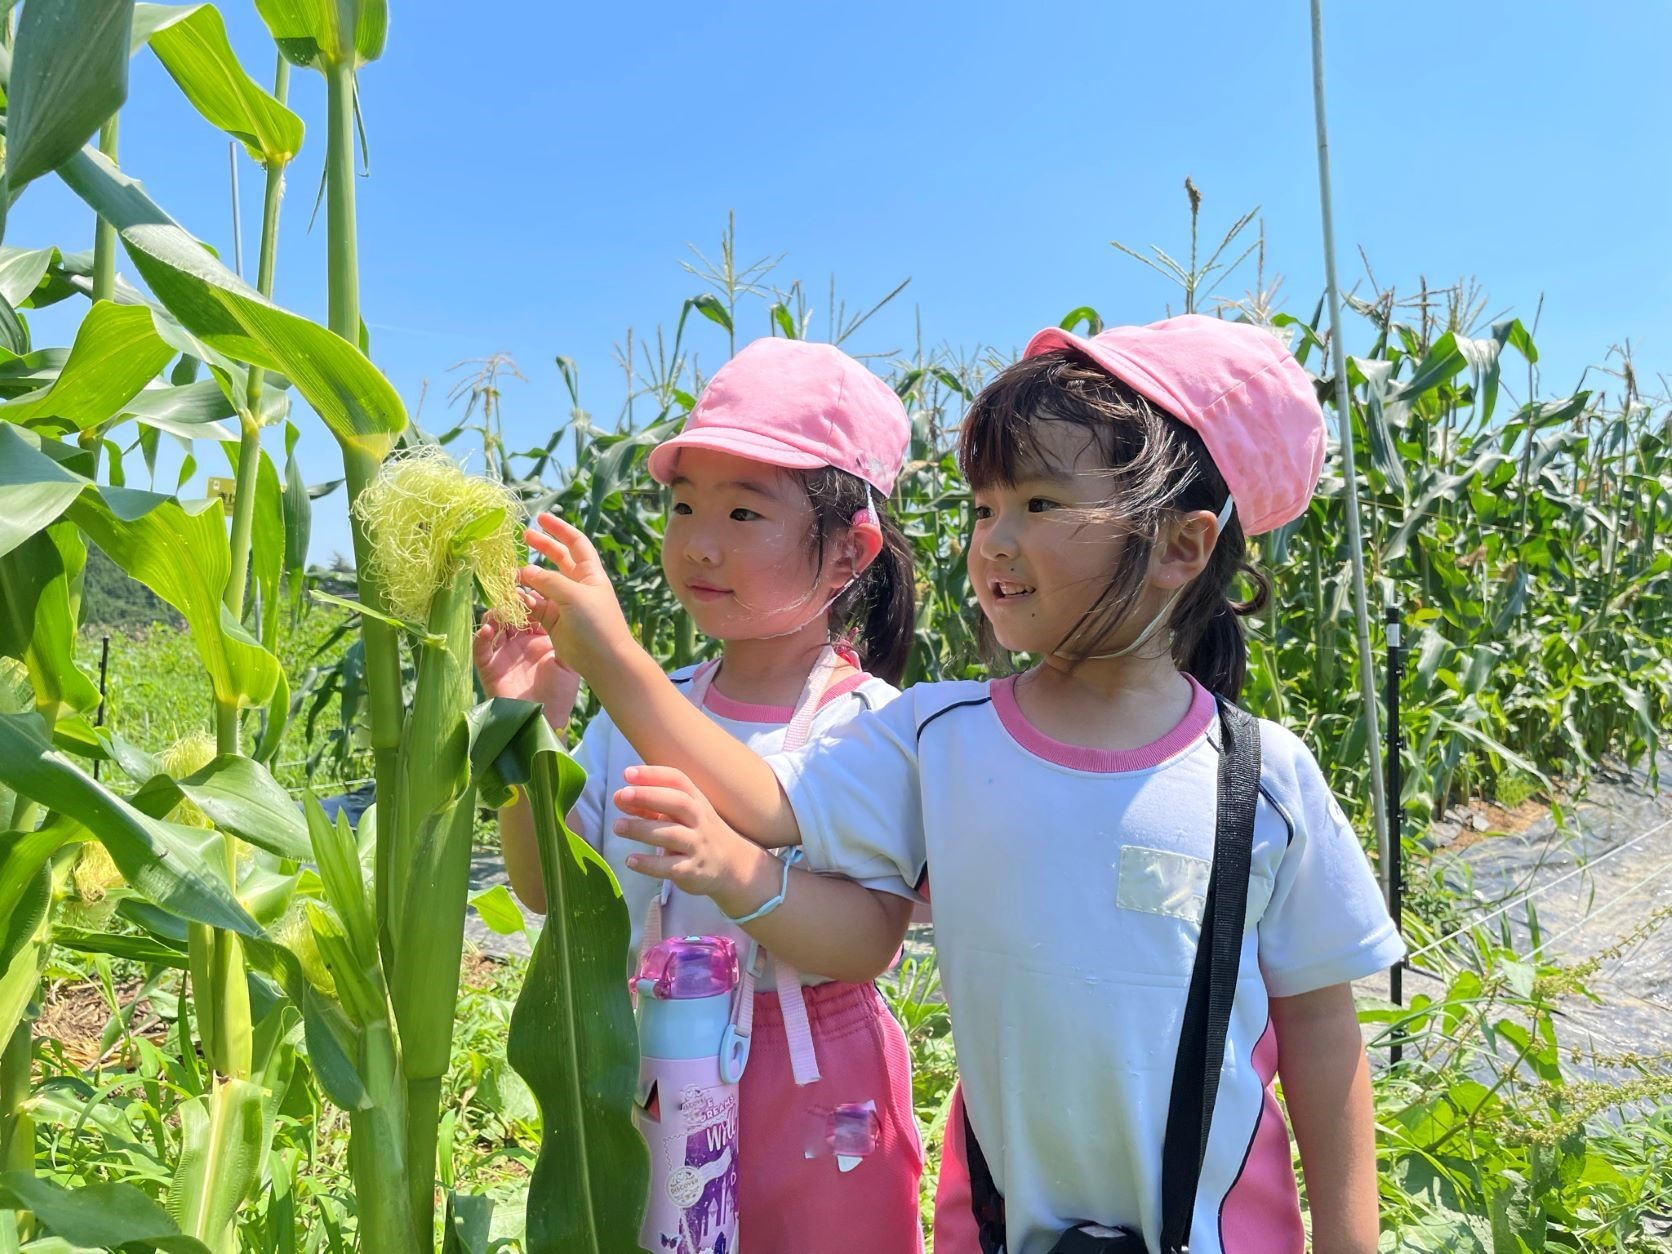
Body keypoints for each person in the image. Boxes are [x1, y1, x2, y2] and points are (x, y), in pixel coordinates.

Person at [519, 314, 1405, 1254]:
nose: (993, 541)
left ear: (1182, 549)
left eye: (1039, 505)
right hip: (996, 1227)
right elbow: (768, 802)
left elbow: (1320, 1030)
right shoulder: (940, 736)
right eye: (986, 508)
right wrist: (609, 672)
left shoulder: (1261, 781)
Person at [476, 337, 925, 1253]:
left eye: (744, 512)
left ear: (850, 550)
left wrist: (732, 868)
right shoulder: (644, 709)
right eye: (684, 507)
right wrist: (537, 731)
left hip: (817, 1090)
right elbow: (545, 887)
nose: (700, 542)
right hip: (660, 1061)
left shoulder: (872, 724)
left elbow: (869, 939)